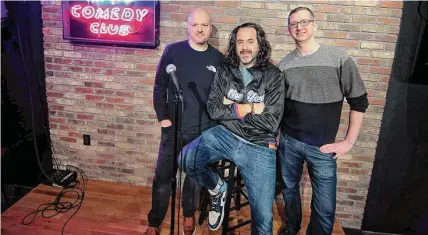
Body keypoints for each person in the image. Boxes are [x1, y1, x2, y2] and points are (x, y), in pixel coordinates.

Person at [178, 22, 285, 234]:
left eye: (250, 42)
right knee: (186, 158)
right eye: (240, 42)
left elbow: (271, 123)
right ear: (234, 45)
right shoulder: (226, 70)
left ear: (260, 44)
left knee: (263, 218)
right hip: (225, 135)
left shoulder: (274, 76)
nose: (244, 47)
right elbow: (213, 109)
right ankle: (218, 188)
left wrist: (230, 107)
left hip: (259, 145)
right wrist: (248, 108)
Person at [277, 7, 369, 235]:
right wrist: (277, 136)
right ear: (289, 30)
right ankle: (291, 227)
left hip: (323, 147)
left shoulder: (339, 59)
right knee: (289, 190)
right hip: (289, 143)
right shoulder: (285, 64)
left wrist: (348, 142)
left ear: (315, 25)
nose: (299, 27)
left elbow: (359, 102)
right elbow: (280, 107)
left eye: (304, 21)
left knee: (325, 209)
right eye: (293, 23)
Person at [145, 8, 223, 235]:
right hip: (174, 127)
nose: (200, 29)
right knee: (162, 176)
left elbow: (220, 96)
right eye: (195, 25)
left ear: (210, 28)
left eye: (205, 25)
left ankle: (188, 215)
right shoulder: (173, 51)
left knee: (194, 178)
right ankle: (155, 221)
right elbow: (159, 86)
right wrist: (163, 118)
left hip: (203, 130)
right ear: (188, 27)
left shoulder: (218, 59)